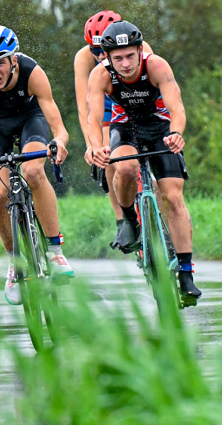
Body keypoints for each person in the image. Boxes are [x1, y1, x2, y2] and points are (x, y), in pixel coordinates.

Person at [0, 25, 75, 305]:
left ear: (13, 60)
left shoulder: (33, 73)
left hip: (31, 119)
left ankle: (55, 252)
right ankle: (14, 263)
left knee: (32, 170)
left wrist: (58, 143)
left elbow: (59, 129)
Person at [86, 20, 201, 299]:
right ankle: (130, 221)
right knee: (123, 168)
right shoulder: (100, 75)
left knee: (173, 198)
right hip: (127, 129)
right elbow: (93, 118)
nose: (125, 64)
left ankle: (185, 272)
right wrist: (96, 146)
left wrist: (176, 133)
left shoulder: (157, 66)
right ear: (108, 58)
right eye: (117, 58)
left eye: (129, 56)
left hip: (160, 128)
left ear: (140, 50)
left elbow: (177, 107)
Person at [75, 11, 154, 247]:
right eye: (95, 50)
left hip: (135, 95)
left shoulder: (139, 48)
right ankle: (123, 219)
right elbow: (84, 108)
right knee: (107, 151)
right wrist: (92, 145)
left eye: (103, 50)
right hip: (104, 96)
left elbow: (154, 89)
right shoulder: (84, 59)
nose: (100, 56)